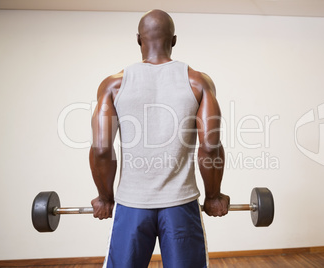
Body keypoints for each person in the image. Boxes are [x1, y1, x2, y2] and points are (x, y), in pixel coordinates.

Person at [89, 9, 230, 268]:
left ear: (138, 39)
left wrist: (105, 198)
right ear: (174, 40)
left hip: (132, 204)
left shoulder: (113, 85)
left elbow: (101, 149)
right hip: (181, 204)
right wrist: (213, 196)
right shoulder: (198, 82)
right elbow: (210, 146)